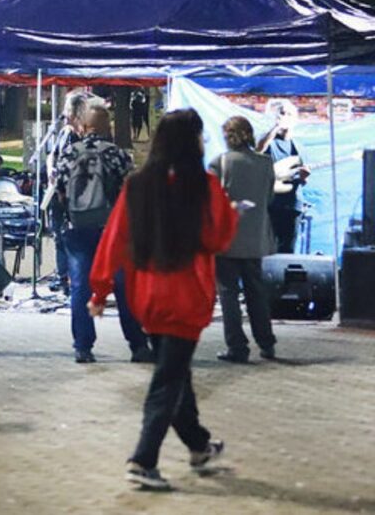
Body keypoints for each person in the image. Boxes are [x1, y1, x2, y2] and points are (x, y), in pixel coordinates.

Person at [89, 108, 237, 491]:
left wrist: (100, 290)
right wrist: (232, 215)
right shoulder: (204, 186)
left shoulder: (137, 185)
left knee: (176, 373)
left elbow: (114, 239)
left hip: (149, 297)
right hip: (187, 295)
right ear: (193, 141)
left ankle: (199, 445)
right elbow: (218, 239)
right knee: (168, 380)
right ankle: (143, 458)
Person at [56, 106, 151, 364]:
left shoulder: (68, 154)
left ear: (83, 126)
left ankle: (83, 347)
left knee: (81, 287)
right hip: (113, 230)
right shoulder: (117, 154)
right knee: (124, 286)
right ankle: (138, 345)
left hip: (78, 229)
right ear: (107, 127)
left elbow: (61, 192)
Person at [209, 116, 278, 363]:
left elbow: (212, 202)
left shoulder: (220, 162)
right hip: (255, 238)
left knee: (228, 295)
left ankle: (237, 347)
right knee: (256, 293)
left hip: (226, 240)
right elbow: (269, 197)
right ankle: (267, 342)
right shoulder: (266, 162)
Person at [44, 91, 88, 294]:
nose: (65, 111)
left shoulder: (83, 135)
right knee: (58, 235)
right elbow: (51, 155)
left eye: (69, 107)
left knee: (73, 236)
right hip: (57, 191)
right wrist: (51, 169)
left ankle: (75, 278)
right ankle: (63, 277)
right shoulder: (63, 132)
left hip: (75, 193)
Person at [258, 99, 309, 253]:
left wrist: (304, 176)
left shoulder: (298, 147)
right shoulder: (268, 141)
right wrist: (277, 126)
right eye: (282, 113)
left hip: (292, 205)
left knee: (288, 251)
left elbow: (302, 180)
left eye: (289, 114)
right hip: (270, 205)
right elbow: (258, 149)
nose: (285, 116)